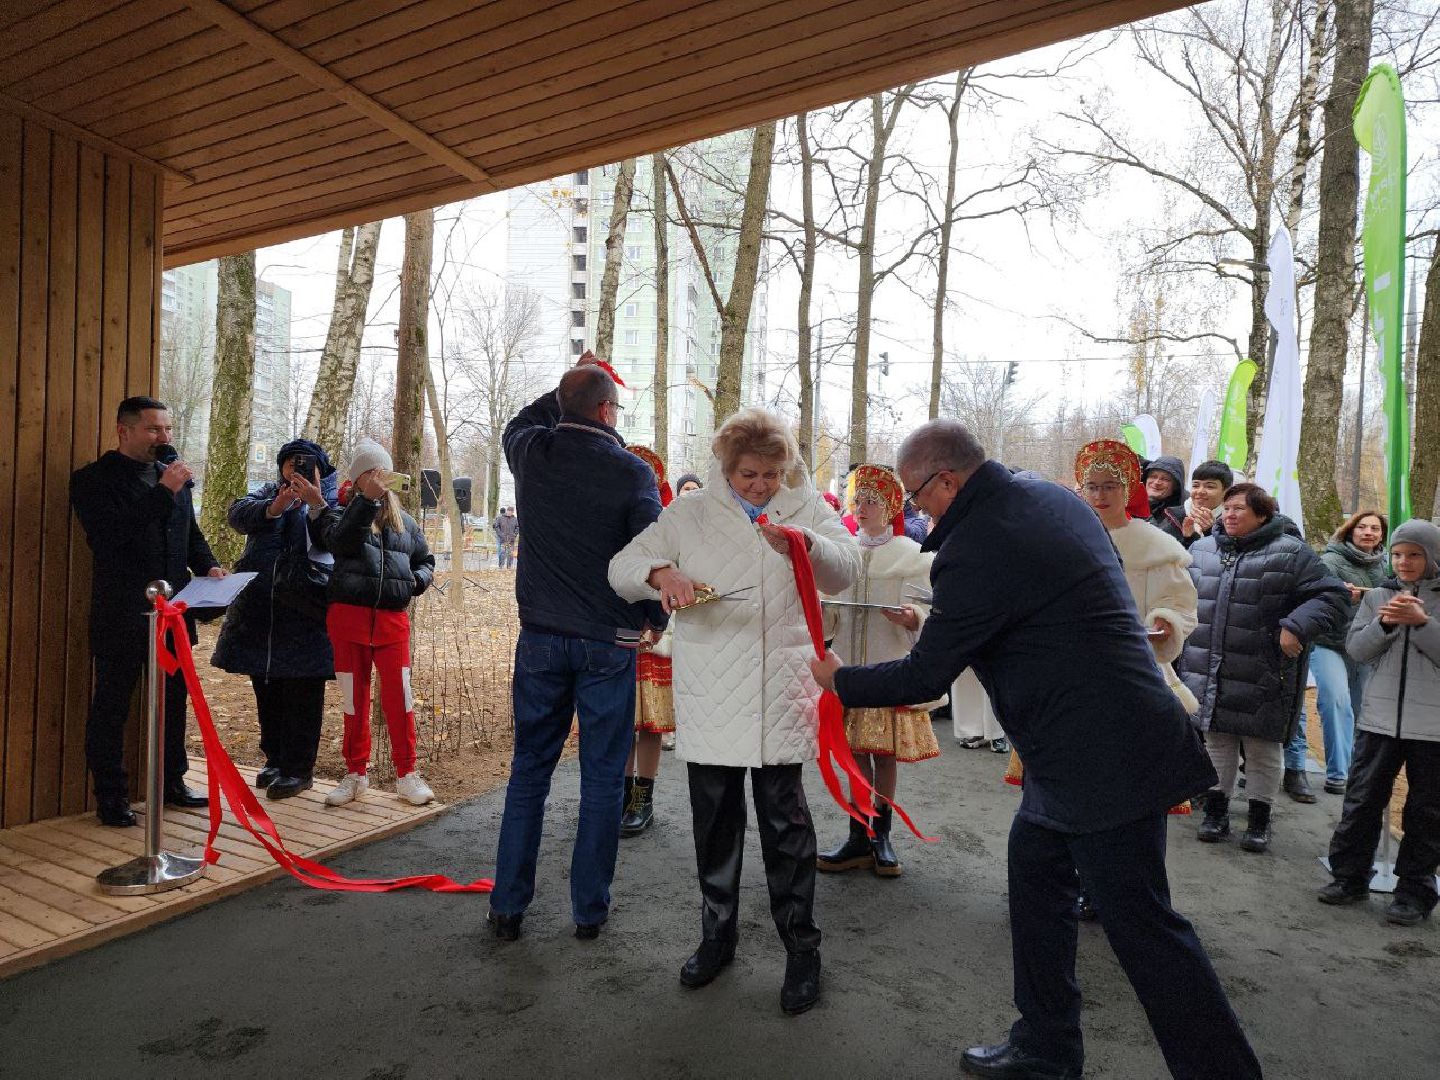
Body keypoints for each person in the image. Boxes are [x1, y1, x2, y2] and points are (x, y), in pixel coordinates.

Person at [809, 420, 1260, 1080]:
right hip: (1079, 752)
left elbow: (925, 674)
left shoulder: (982, 544)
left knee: (1146, 931)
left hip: (1104, 759)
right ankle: (1046, 1045)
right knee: (1035, 880)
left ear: (949, 481)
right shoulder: (1046, 499)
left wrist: (837, 679)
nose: (914, 510)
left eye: (915, 495)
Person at [610, 407, 858, 1016]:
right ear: (727, 467)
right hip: (712, 689)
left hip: (779, 690)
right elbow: (620, 569)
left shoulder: (803, 507)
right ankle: (716, 936)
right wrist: (661, 571)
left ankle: (802, 950)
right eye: (749, 475)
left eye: (771, 474)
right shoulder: (689, 513)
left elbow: (847, 568)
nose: (761, 487)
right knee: (715, 824)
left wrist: (804, 542)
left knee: (787, 828)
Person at [490, 357, 665, 942]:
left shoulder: (533, 455)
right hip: (607, 643)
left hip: (540, 636)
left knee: (529, 773)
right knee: (601, 778)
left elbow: (518, 421)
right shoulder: (633, 473)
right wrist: (655, 617)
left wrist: (568, 386)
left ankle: (507, 907)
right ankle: (588, 910)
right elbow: (648, 554)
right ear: (608, 411)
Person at [70, 396, 223, 826]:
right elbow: (110, 537)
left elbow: (189, 534)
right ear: (125, 430)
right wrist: (163, 492)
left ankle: (172, 781)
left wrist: (208, 565)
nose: (164, 438)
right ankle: (112, 797)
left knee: (174, 702)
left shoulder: (169, 480)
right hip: (122, 615)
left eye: (168, 430)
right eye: (154, 429)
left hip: (172, 614)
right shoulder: (94, 480)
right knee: (113, 705)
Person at [1181, 483, 1348, 852]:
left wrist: (1296, 625)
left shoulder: (1291, 553)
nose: (1230, 515)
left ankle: (1259, 818)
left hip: (1265, 668)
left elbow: (1333, 596)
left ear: (1263, 514)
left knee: (1261, 747)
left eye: (1240, 508)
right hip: (1208, 665)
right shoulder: (1203, 549)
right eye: (1228, 508)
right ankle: (1216, 812)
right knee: (1217, 742)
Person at [816, 464, 937, 878]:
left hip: (889, 667)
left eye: (871, 501)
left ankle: (880, 835)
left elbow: (930, 608)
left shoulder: (911, 555)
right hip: (848, 667)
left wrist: (912, 618)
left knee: (883, 755)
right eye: (858, 500)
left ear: (889, 508)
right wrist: (824, 612)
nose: (862, 508)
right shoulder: (844, 551)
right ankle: (857, 833)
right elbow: (830, 621)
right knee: (852, 754)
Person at [1320, 519, 1440, 926]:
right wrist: (1386, 623)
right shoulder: (1379, 596)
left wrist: (1422, 624)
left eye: (1415, 555)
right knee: (1362, 799)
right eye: (1398, 554)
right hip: (1378, 720)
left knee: (1427, 811)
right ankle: (1349, 877)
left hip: (1433, 727)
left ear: (1433, 556)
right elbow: (1356, 649)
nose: (1404, 562)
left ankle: (1414, 892)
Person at [310, 438, 436, 809]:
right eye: (372, 473)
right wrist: (364, 500)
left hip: (392, 623)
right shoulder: (338, 514)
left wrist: (417, 581)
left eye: (385, 471)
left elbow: (425, 560)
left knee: (400, 699)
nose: (382, 479)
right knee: (354, 699)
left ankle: (407, 774)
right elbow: (342, 542)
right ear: (359, 478)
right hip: (348, 620)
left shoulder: (406, 523)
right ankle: (355, 773)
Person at [211, 440, 338, 800]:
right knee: (266, 689)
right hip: (260, 613)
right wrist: (274, 507)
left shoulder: (334, 499)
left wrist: (315, 503)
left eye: (303, 464)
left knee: (302, 693)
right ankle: (275, 759)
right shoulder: (269, 494)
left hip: (306, 615)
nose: (294, 470)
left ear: (321, 467)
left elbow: (338, 538)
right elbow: (237, 514)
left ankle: (299, 769)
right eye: (288, 464)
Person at [1294, 510, 1389, 797]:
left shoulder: (1387, 565)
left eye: (1375, 528)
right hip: (1329, 643)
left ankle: (1359, 771)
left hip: (1367, 646)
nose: (1368, 532)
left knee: (1364, 711)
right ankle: (1339, 773)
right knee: (1336, 701)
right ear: (1350, 530)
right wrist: (1339, 595)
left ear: (1382, 535)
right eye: (1362, 527)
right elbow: (1315, 597)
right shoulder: (1330, 561)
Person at [620, 445, 674, 837]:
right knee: (620, 720)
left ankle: (643, 800)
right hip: (617, 633)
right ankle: (619, 797)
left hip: (654, 634)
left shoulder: (668, 526)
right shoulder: (609, 522)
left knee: (650, 723)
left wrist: (659, 621)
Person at [1179, 459, 1234, 549]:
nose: (1200, 491)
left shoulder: (1232, 520)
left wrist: (1211, 531)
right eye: (1196, 485)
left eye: (1210, 486)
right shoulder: (1173, 515)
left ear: (1226, 491)